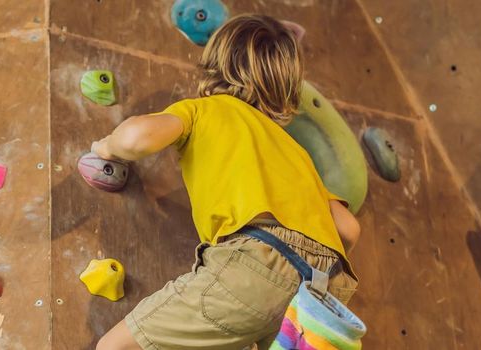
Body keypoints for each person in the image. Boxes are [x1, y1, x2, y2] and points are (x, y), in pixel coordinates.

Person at [91, 14, 361, 350]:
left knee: (114, 348)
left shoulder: (208, 110)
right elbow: (348, 228)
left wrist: (105, 147)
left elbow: (135, 138)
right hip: (321, 294)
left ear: (218, 64)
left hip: (257, 265)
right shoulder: (297, 153)